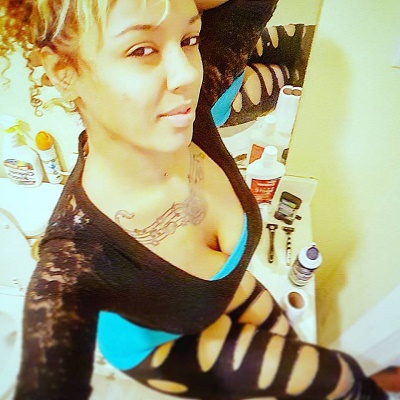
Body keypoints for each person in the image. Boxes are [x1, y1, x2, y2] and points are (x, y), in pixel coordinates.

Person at [0, 0, 390, 399]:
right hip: (162, 347)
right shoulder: (76, 261)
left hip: (221, 290)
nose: (187, 73)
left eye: (189, 39)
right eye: (141, 49)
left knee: (292, 342)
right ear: (63, 72)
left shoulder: (190, 110)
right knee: (338, 378)